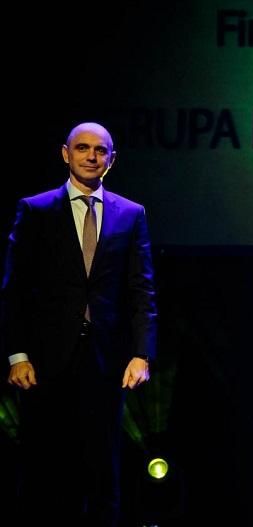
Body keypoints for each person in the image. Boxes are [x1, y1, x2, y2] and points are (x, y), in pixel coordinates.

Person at [2, 122, 157, 526]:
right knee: (43, 469)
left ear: (112, 159)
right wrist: (18, 355)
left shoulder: (131, 214)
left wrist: (141, 354)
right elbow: (15, 289)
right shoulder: (36, 210)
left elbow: (142, 290)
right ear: (65, 154)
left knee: (103, 471)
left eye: (100, 150)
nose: (91, 156)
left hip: (106, 361)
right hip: (46, 361)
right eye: (83, 148)